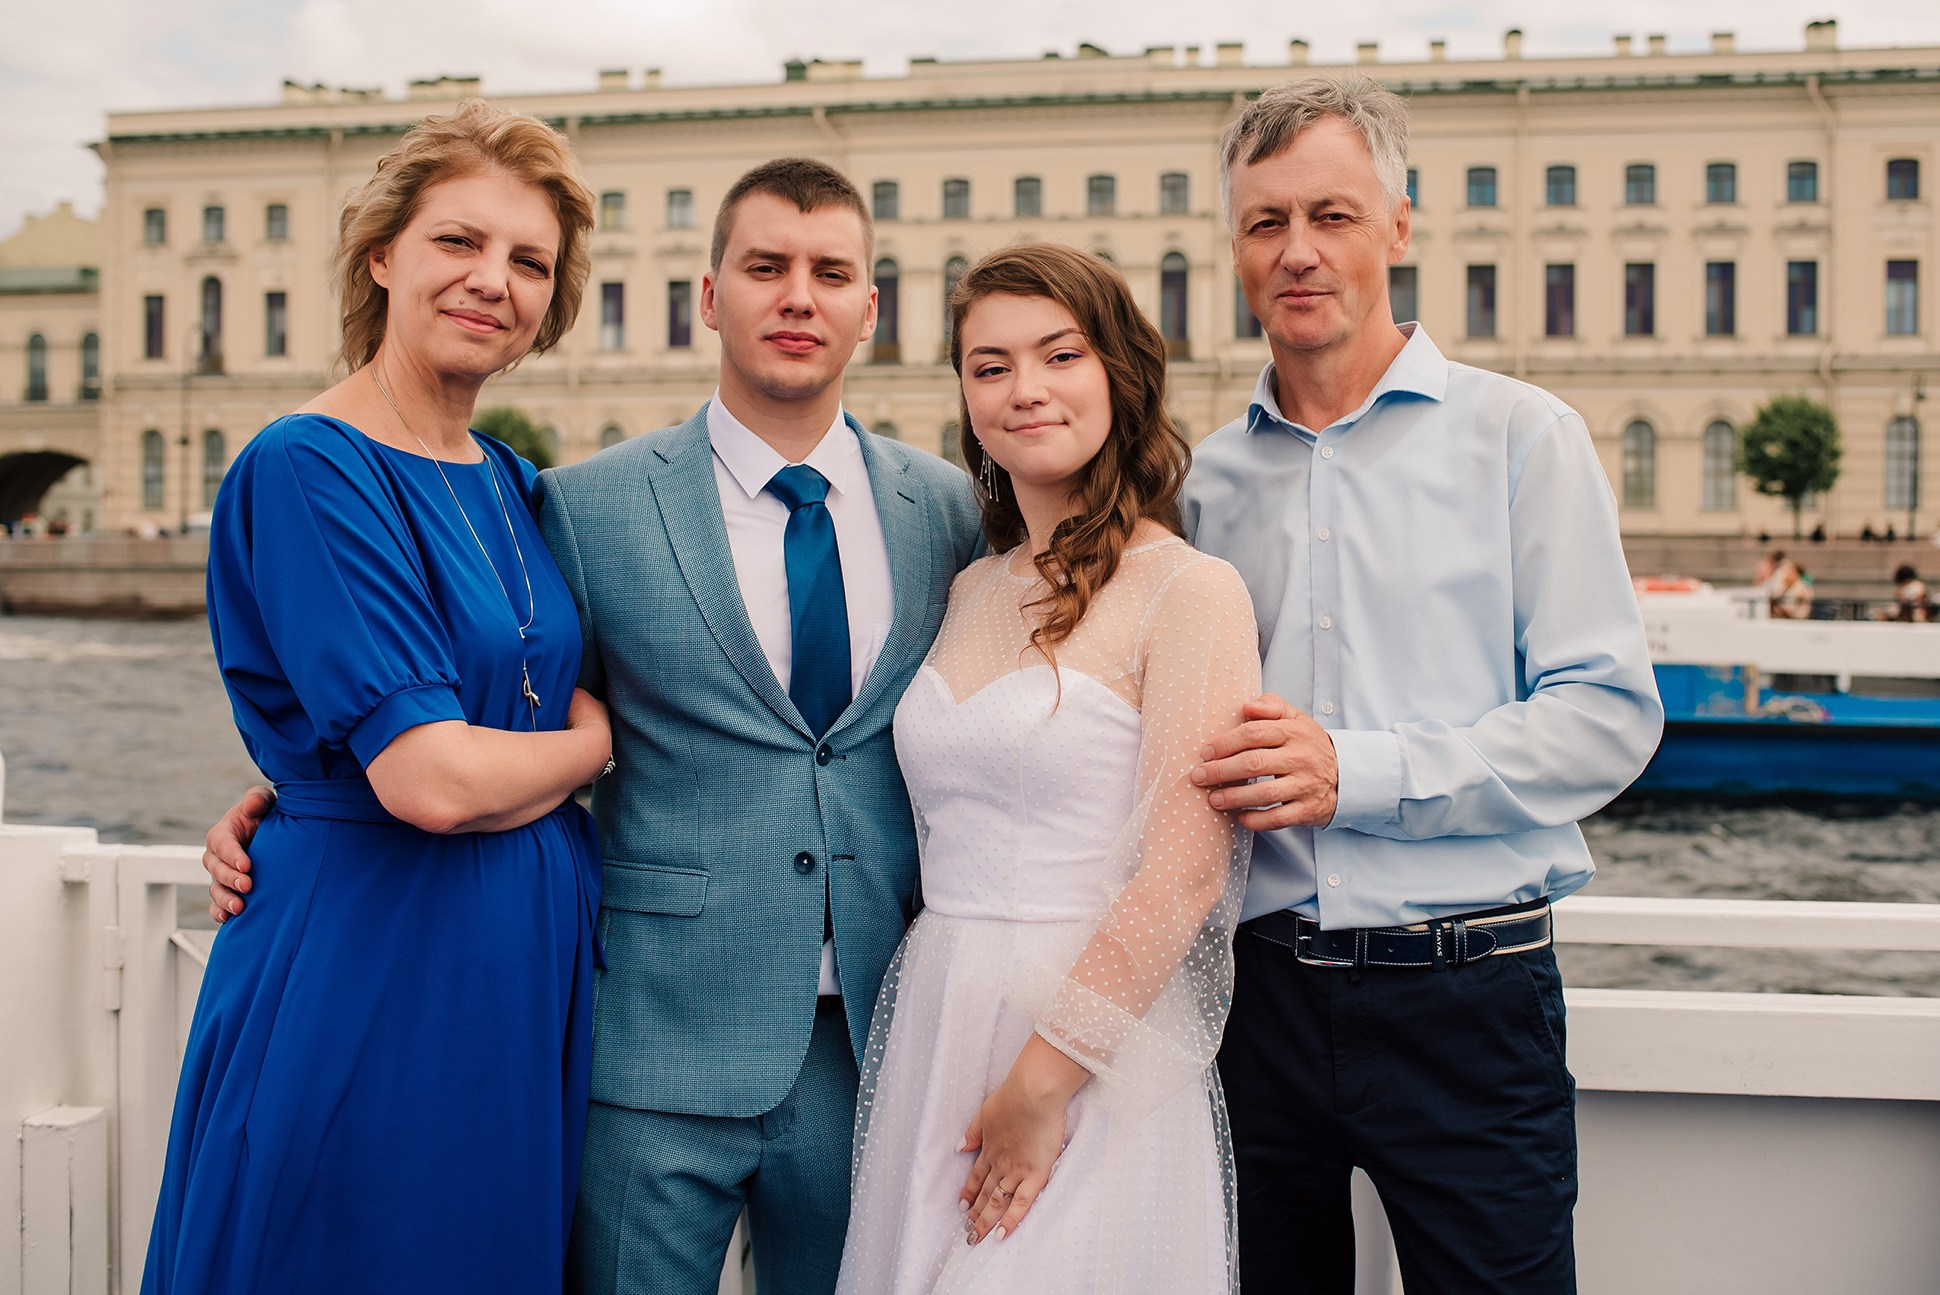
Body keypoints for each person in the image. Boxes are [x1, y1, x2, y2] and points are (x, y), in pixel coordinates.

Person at [207, 157, 981, 1294]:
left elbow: (1013, 720)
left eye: (830, 273)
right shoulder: (579, 501)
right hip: (643, 1034)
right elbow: (447, 711)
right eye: (764, 267)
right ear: (707, 295)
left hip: (873, 1033)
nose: (797, 297)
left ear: (873, 306)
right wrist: (293, 794)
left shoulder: (951, 509)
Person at [1182, 76, 1663, 1293]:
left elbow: (1605, 715)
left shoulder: (1521, 436)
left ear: (1399, 227)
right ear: (1231, 243)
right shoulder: (1199, 484)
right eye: (1263, 221)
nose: (1296, 251)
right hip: (1252, 1008)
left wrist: (1359, 770)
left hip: (1470, 1001)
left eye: (1332, 216)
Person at [146, 101, 612, 1294]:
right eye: (458, 241)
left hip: (512, 969)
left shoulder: (508, 477)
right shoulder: (306, 462)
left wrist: (282, 784)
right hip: (376, 956)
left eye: (529, 262)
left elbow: (448, 711)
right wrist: (590, 745)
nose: (491, 281)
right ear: (382, 254)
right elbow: (432, 779)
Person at [836, 244, 1259, 1293]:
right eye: (988, 366)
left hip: (1086, 1036)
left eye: (1057, 354)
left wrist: (1041, 1083)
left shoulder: (1190, 590)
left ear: (1117, 370)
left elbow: (1185, 872)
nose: (1023, 389)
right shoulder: (969, 585)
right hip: (937, 1016)